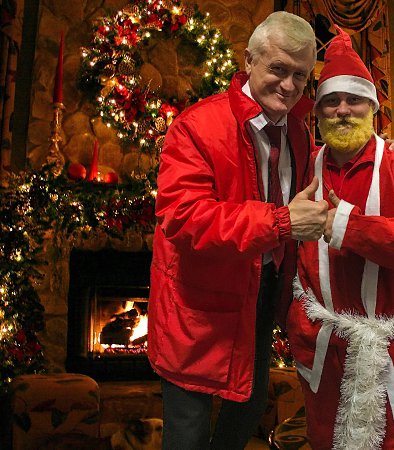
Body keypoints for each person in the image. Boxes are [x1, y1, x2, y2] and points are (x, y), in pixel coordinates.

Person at [147, 11, 329, 450]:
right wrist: (281, 222)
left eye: (300, 76)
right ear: (249, 60)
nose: (289, 85)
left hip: (258, 295)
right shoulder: (196, 126)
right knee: (188, 434)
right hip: (196, 307)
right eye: (278, 69)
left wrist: (384, 154)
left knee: (247, 411)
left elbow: (326, 179)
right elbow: (183, 217)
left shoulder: (299, 132)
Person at [286, 27, 394, 450]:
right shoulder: (304, 166)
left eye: (354, 100)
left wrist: (348, 227)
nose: (342, 110)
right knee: (323, 440)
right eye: (331, 101)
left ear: (373, 108)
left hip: (388, 350)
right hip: (322, 346)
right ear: (318, 113)